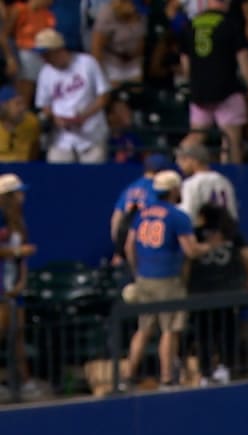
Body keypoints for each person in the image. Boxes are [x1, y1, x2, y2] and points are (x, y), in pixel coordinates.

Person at [124, 171, 218, 387]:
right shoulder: (178, 217)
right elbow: (191, 250)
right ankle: (167, 377)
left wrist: (136, 271)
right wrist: (211, 246)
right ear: (175, 190)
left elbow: (129, 246)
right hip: (168, 279)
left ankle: (128, 376)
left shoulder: (142, 214)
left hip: (145, 278)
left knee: (144, 328)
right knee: (170, 330)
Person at [185, 203, 248, 385]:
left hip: (201, 292)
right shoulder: (232, 234)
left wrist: (186, 285)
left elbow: (186, 263)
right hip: (228, 289)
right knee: (227, 330)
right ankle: (226, 367)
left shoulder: (196, 234)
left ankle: (206, 371)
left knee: (204, 333)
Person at [180, 0, 248, 164]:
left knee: (196, 135)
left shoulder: (191, 24)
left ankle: (178, 165)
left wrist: (193, 82)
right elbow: (243, 58)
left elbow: (185, 63)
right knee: (231, 141)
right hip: (227, 91)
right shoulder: (231, 25)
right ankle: (233, 179)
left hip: (199, 92)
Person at [34, 28, 112, 164]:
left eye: (46, 54)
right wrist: (55, 118)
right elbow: (44, 105)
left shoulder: (87, 63)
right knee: (58, 179)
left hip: (92, 134)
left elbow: (104, 95)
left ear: (58, 50)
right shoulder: (45, 72)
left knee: (92, 180)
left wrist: (84, 116)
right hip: (61, 139)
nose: (44, 59)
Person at [0, 173, 41, 403]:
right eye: (18, 192)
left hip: (15, 286)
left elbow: (22, 256)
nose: (22, 196)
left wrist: (22, 282)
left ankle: (25, 382)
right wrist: (17, 252)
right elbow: (17, 252)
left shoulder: (19, 220)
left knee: (17, 336)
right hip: (0, 287)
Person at [111, 154, 176, 258]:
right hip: (148, 243)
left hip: (126, 240)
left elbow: (116, 217)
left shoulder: (131, 187)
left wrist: (119, 247)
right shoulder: (159, 188)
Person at [176, 145, 239, 224]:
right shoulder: (224, 181)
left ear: (193, 160)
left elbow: (188, 215)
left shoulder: (191, 183)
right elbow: (233, 214)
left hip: (203, 231)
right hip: (225, 231)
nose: (180, 167)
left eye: (182, 161)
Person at [0, 84, 40, 162]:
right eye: (17, 104)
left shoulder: (32, 122)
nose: (22, 108)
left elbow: (35, 151)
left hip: (24, 169)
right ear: (4, 106)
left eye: (22, 103)